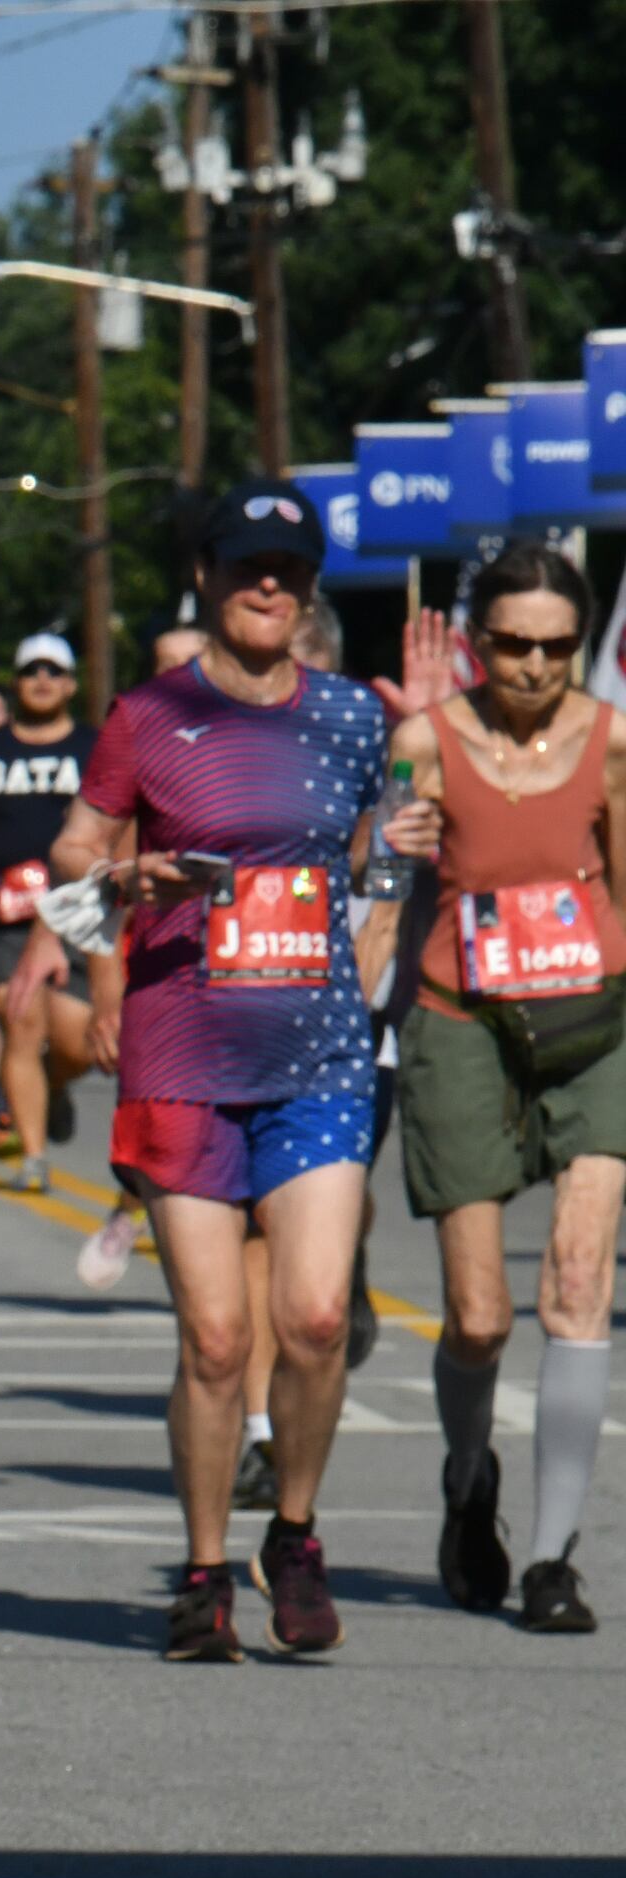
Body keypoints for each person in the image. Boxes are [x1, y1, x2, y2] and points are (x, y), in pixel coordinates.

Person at [44, 481, 380, 1663]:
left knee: (318, 1317)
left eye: (290, 568)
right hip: (183, 1058)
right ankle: (201, 1572)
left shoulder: (351, 716)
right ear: (207, 576)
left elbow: (366, 865)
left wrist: (389, 915)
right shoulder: (147, 715)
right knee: (218, 1340)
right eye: (248, 566)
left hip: (321, 1055)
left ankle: (292, 1533)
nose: (270, 586)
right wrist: (123, 890)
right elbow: (71, 865)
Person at [378, 545, 615, 1634]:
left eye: (556, 646)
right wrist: (395, 837)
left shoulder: (612, 745)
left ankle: (555, 1560)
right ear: (479, 642)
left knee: (576, 1280)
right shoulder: (427, 740)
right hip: (461, 1021)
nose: (533, 665)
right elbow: (378, 871)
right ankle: (470, 1483)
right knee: (478, 1316)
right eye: (513, 643)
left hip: (593, 1022)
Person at [0, 634, 97, 1192]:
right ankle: (33, 1156)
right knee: (19, 1021)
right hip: (3, 913)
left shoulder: (96, 747)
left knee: (78, 1043)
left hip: (80, 909)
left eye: (53, 671)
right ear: (16, 682)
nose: (42, 679)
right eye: (30, 669)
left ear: (71, 684)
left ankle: (55, 1086)